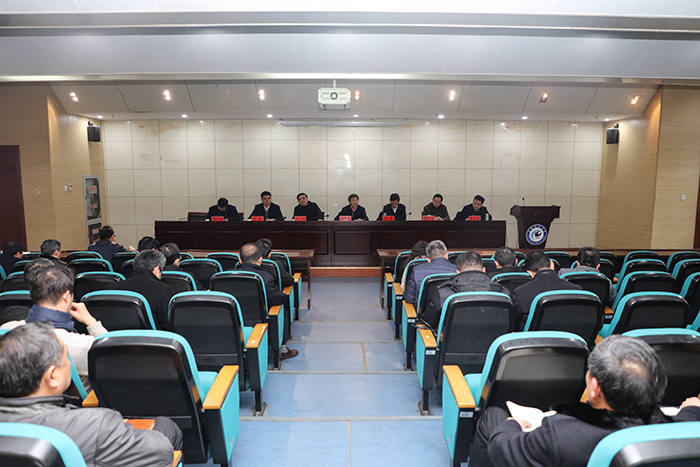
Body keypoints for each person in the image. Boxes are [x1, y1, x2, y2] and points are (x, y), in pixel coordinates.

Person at [472, 335, 700, 467]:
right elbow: (688, 417)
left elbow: (501, 449)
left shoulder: (561, 435)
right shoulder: (684, 431)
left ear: (595, 388)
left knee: (493, 417)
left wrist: (514, 424)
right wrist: (692, 410)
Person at [0, 322, 182, 466]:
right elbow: (163, 454)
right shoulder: (96, 426)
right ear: (52, 376)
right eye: (66, 358)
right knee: (166, 426)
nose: (69, 364)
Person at [0, 260, 107, 382]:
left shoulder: (6, 330)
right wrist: (91, 321)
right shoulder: (83, 346)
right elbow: (114, 361)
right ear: (66, 296)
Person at [238, 243, 298, 361]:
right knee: (282, 311)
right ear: (260, 259)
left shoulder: (222, 277)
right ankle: (282, 349)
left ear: (240, 260)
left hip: (235, 321)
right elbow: (278, 299)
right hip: (260, 321)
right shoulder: (265, 278)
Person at [422, 251, 510, 329]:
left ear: (458, 272)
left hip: (454, 342)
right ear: (484, 270)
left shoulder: (443, 292)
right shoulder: (503, 292)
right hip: (495, 342)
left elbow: (429, 321)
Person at [511, 250, 581, 331]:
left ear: (530, 272)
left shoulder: (520, 293)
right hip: (569, 337)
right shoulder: (576, 290)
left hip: (534, 338)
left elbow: (514, 323)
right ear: (552, 264)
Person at [105, 250, 174, 331]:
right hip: (150, 338)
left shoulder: (112, 288)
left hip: (116, 337)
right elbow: (169, 324)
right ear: (156, 269)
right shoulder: (163, 290)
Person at [403, 240, 457, 306]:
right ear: (446, 255)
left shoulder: (416, 270)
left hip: (422, 312)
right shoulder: (457, 270)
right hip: (450, 312)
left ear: (428, 259)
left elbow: (408, 298)